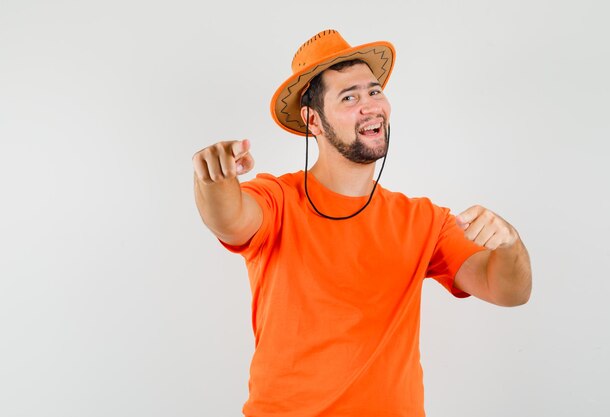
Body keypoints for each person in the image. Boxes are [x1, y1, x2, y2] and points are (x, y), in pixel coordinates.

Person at [192, 29, 532, 417]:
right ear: (313, 120)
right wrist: (213, 179)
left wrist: (510, 245)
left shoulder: (423, 220)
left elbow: (508, 291)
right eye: (349, 97)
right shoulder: (277, 199)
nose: (370, 105)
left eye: (374, 91)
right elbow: (230, 219)